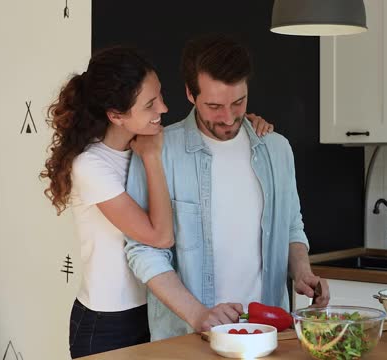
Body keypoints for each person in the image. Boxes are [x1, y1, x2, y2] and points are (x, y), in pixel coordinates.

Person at [40, 45, 273, 358]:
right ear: (116, 116)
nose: (163, 108)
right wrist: (151, 158)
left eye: (160, 95)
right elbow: (160, 237)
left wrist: (246, 124)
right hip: (108, 322)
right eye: (150, 104)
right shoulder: (93, 166)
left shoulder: (149, 141)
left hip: (154, 312)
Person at [124, 34, 330, 341]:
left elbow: (290, 226)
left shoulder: (276, 148)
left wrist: (302, 271)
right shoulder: (157, 151)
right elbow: (142, 250)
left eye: (238, 102)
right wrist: (198, 314)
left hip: (268, 334)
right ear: (190, 95)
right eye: (214, 106)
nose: (229, 118)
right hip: (186, 337)